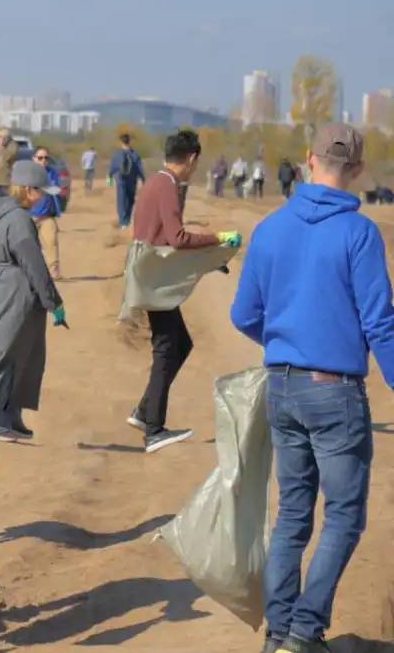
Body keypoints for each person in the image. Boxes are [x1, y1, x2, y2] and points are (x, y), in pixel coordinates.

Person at [230, 124, 387, 653]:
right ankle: (303, 632)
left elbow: (243, 314)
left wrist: (283, 339)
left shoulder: (269, 228)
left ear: (307, 160)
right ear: (358, 171)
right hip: (335, 390)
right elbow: (380, 322)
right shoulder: (359, 233)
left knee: (294, 512)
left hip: (284, 386)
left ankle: (278, 634)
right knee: (343, 514)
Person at [126, 130, 239, 453]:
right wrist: (216, 238)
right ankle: (154, 429)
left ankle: (144, 411)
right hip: (154, 278)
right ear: (191, 158)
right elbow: (176, 238)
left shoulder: (157, 181)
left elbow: (166, 240)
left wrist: (206, 260)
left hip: (153, 273)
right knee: (166, 347)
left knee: (180, 343)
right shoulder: (167, 186)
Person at [0, 160, 66, 442]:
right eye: (40, 191)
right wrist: (54, 301)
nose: (43, 197)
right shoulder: (18, 220)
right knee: (4, 354)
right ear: (27, 190)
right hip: (14, 289)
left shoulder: (1, 214)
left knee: (22, 354)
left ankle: (10, 415)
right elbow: (34, 263)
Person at [30, 147, 63, 279]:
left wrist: (40, 186)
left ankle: (54, 270)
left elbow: (55, 190)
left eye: (46, 158)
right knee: (28, 246)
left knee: (51, 242)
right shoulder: (28, 173)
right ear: (34, 159)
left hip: (47, 216)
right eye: (40, 158)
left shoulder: (52, 173)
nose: (43, 161)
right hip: (29, 216)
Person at [108, 134, 146, 228]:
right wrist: (143, 179)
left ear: (121, 142)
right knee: (130, 199)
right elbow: (139, 168)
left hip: (120, 180)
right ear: (129, 141)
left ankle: (123, 222)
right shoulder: (134, 154)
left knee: (121, 200)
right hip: (132, 180)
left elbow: (112, 167)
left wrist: (109, 178)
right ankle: (127, 220)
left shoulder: (117, 154)